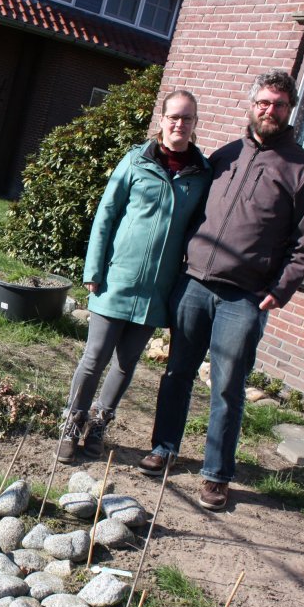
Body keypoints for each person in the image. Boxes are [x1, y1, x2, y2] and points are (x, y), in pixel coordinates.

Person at [137, 70, 304, 511]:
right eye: (263, 102)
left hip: (245, 298)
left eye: (278, 104)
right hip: (195, 284)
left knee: (227, 388)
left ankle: (216, 474)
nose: (269, 111)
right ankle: (164, 447)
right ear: (252, 104)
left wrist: (280, 291)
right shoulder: (225, 155)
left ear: (290, 110)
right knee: (177, 373)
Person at [57, 90, 212, 463]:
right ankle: (71, 424)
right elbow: (106, 215)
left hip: (158, 291)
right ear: (162, 119)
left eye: (187, 118)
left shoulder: (201, 174)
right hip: (117, 279)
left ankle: (98, 425)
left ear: (195, 124)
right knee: (95, 357)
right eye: (174, 116)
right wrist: (94, 269)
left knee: (127, 364)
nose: (180, 124)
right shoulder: (135, 161)